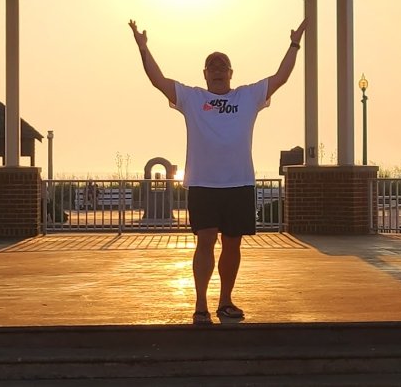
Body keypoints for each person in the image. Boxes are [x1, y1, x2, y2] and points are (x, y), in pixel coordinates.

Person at [129, 17, 307, 325]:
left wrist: (294, 42)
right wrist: (143, 47)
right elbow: (157, 79)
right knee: (206, 239)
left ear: (231, 72)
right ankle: (200, 303)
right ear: (205, 73)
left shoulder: (248, 96)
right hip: (202, 183)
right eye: (212, 65)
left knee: (233, 243)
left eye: (222, 65)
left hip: (238, 183)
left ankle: (225, 301)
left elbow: (281, 77)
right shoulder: (192, 97)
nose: (217, 69)